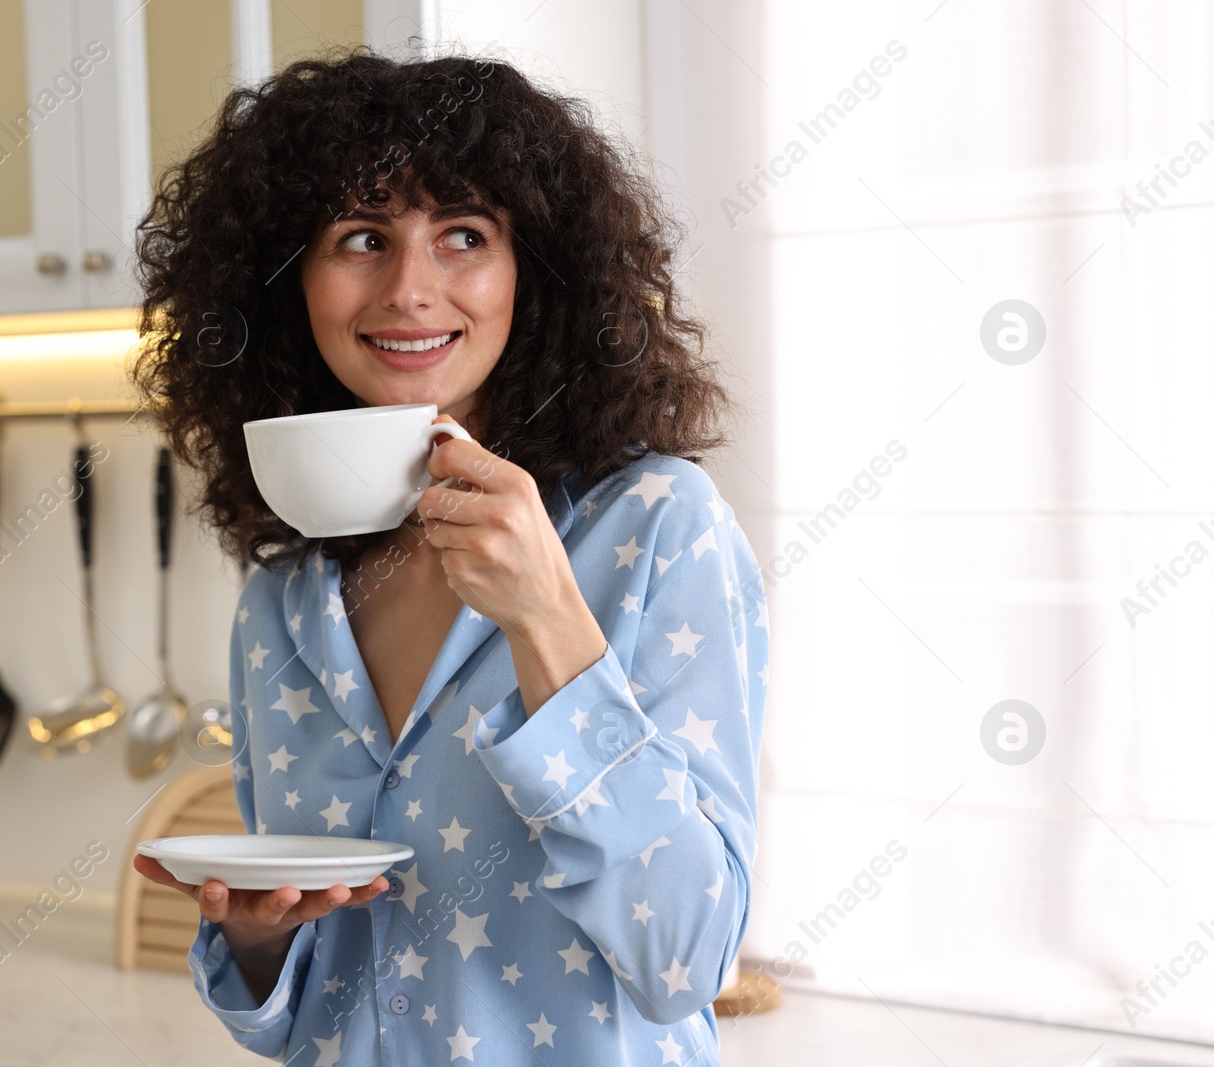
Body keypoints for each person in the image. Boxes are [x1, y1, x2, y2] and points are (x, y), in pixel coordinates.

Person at [129, 48, 768, 1067]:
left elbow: (686, 960)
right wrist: (254, 936)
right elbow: (303, 1015)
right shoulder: (283, 604)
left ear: (537, 270)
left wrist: (548, 619)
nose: (409, 288)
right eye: (360, 237)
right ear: (289, 278)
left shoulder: (655, 527)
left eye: (463, 234)